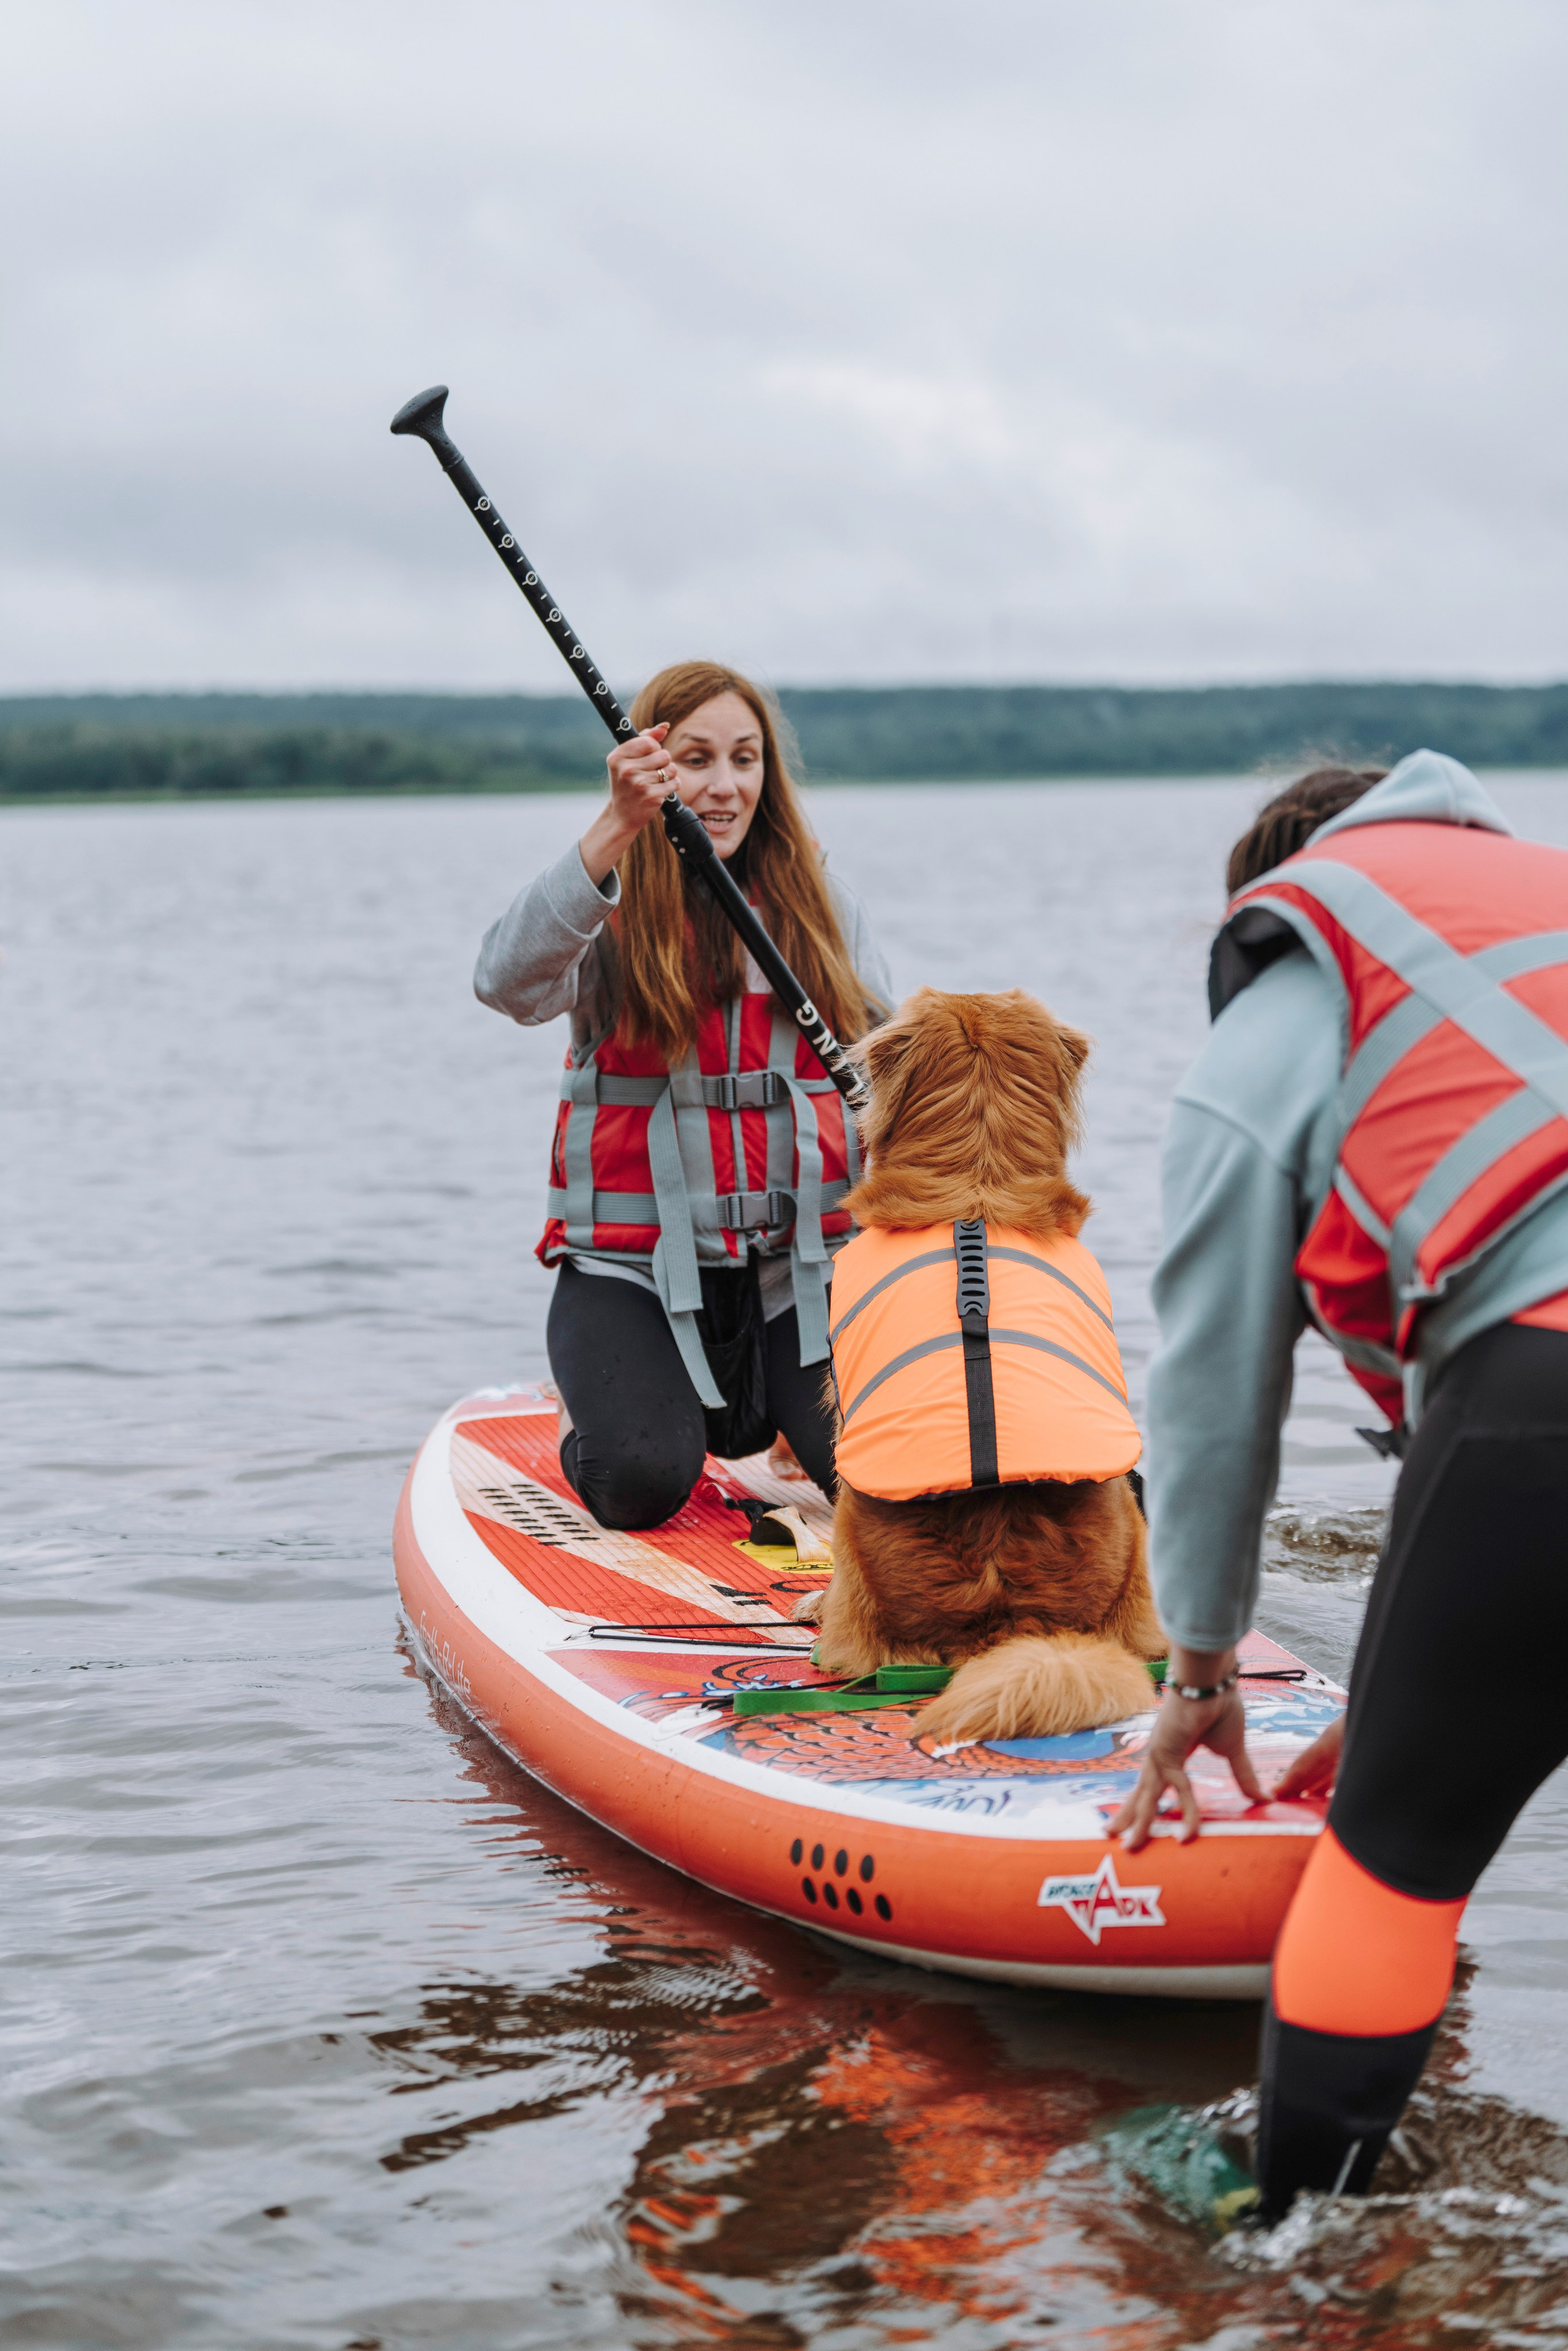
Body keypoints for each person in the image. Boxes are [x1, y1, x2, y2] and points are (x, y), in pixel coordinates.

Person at [1111, 747, 1568, 2217]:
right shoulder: (1538, 909)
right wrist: (1387, 1707)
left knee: (1391, 1871)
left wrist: (1196, 1667)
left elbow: (1208, 1389)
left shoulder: (1296, 981)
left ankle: (1297, 2261)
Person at [475, 660, 890, 1530]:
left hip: (796, 1274)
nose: (725, 785)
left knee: (882, 1485)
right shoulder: (604, 902)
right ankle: (593, 1410)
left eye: (745, 759)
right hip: (634, 1274)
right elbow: (505, 983)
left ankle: (787, 1423)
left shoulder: (820, 905)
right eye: (696, 759)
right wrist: (613, 830)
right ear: (652, 770)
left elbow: (887, 1063)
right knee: (639, 1484)